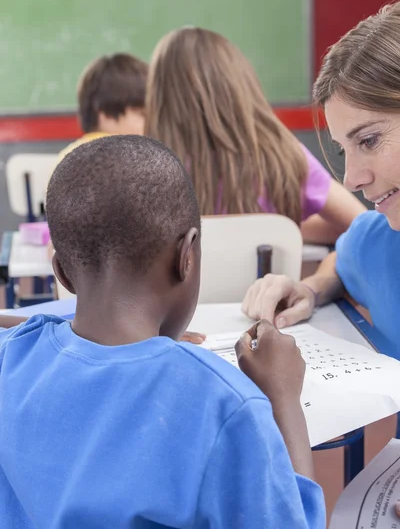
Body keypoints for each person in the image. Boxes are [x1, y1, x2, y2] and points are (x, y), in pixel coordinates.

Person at [0, 135, 325, 529]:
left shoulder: (10, 357)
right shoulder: (226, 406)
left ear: (63, 273)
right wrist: (282, 398)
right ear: (186, 255)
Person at [242, 1, 400, 344]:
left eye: (370, 140)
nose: (351, 179)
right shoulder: (377, 239)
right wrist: (311, 289)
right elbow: (344, 263)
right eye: (344, 150)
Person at [145, 27, 365, 245]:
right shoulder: (282, 155)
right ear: (239, 85)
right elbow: (362, 225)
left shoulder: (149, 172)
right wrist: (275, 228)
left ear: (160, 97)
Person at [55, 53, 148, 166]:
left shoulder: (66, 158)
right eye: (142, 114)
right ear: (106, 112)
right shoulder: (121, 159)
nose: (149, 123)